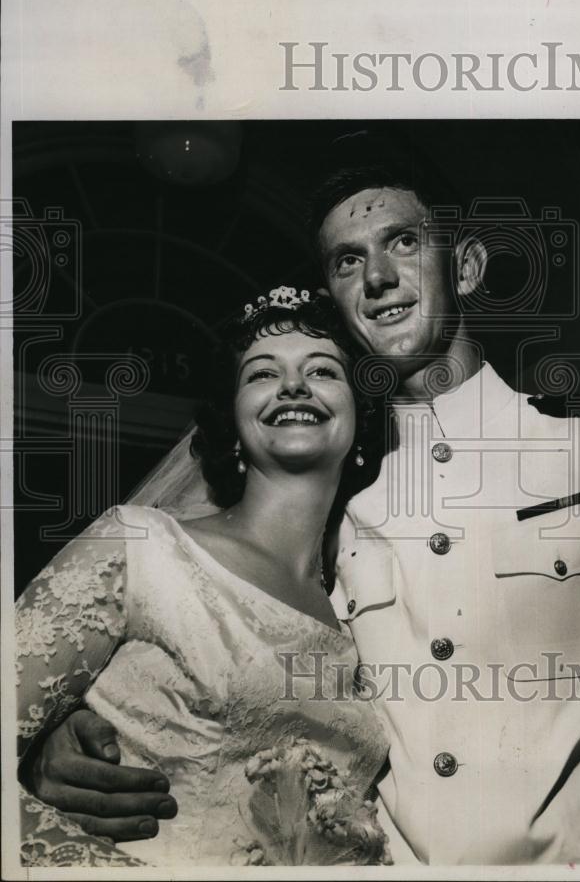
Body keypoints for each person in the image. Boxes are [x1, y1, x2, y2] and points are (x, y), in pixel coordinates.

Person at [23, 136, 580, 865]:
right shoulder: (335, 492)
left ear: (464, 266)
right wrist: (70, 726)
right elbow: (228, 636)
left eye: (402, 242)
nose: (378, 277)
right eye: (347, 259)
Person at [16, 294, 392, 867]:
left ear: (359, 418)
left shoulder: (362, 607)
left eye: (321, 370)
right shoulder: (141, 546)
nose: (294, 386)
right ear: (233, 422)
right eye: (263, 373)